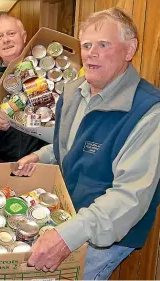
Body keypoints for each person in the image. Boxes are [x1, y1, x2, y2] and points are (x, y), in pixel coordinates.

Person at [13, 8, 160, 280]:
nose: (91, 53)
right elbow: (68, 146)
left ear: (130, 50)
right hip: (70, 213)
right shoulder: (73, 92)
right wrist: (43, 157)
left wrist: (67, 236)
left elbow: (130, 197)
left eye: (103, 44)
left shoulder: (149, 112)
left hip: (106, 233)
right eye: (87, 45)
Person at [0, 14, 47, 164]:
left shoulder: (45, 70)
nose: (6, 40)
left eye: (11, 33)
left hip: (43, 161)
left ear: (24, 36)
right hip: (2, 162)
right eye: (0, 36)